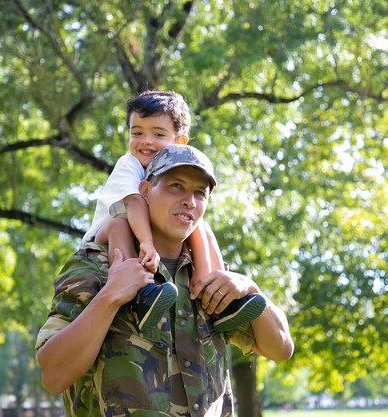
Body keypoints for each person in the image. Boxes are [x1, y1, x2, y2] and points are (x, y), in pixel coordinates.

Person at [36, 144, 294, 417]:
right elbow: (53, 375)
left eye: (199, 193)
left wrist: (251, 289)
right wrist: (110, 296)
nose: (189, 201)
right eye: (176, 186)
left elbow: (280, 348)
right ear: (145, 191)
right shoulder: (98, 267)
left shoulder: (208, 277)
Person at [84, 90, 266, 332]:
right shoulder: (129, 165)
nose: (146, 141)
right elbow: (135, 204)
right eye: (136, 132)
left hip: (143, 229)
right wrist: (147, 243)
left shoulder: (173, 170)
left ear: (179, 142)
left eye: (158, 134)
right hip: (111, 234)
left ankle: (213, 293)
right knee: (120, 225)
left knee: (201, 227)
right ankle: (140, 296)